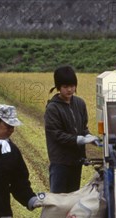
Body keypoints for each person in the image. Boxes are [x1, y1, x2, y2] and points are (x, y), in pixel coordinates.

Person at [44, 65, 100, 193]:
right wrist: (79, 140)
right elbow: (57, 135)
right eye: (65, 87)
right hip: (60, 161)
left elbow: (83, 128)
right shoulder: (53, 108)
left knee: (73, 196)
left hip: (76, 160)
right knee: (59, 199)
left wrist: (90, 137)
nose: (69, 90)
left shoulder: (80, 103)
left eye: (72, 86)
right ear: (58, 87)